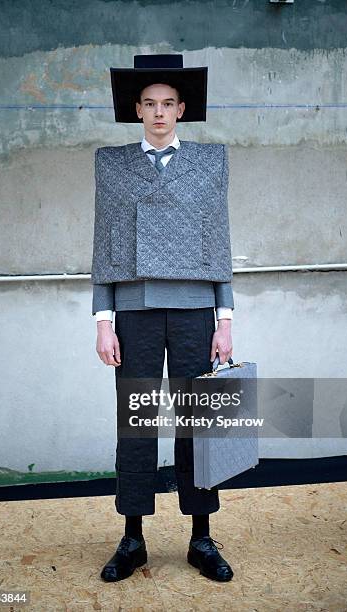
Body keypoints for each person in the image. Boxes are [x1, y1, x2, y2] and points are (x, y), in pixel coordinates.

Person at [91, 54, 235, 582]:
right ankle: (133, 538)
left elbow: (219, 240)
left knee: (200, 425)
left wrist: (225, 318)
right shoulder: (112, 164)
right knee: (136, 423)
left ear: (181, 108)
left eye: (168, 103)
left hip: (197, 309)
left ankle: (201, 537)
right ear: (136, 109)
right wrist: (103, 319)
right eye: (149, 103)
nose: (158, 112)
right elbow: (103, 243)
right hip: (134, 310)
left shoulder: (210, 162)